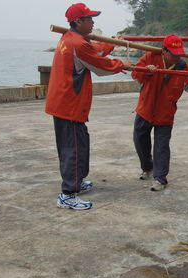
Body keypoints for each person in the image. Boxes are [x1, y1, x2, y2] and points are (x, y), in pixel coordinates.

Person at [45, 3, 133, 210]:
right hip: (69, 105)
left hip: (64, 102)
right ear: (78, 21)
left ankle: (76, 182)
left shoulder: (70, 38)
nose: (93, 22)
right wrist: (123, 64)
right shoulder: (77, 43)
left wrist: (111, 44)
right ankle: (67, 194)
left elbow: (93, 51)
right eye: (89, 18)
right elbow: (100, 66)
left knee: (79, 143)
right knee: (72, 149)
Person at [131, 35, 188, 191]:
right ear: (164, 51)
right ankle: (147, 167)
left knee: (161, 146)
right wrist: (147, 72)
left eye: (178, 53)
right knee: (140, 141)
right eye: (173, 53)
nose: (177, 56)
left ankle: (160, 178)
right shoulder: (150, 56)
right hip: (144, 109)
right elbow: (136, 75)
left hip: (166, 113)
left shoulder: (182, 67)